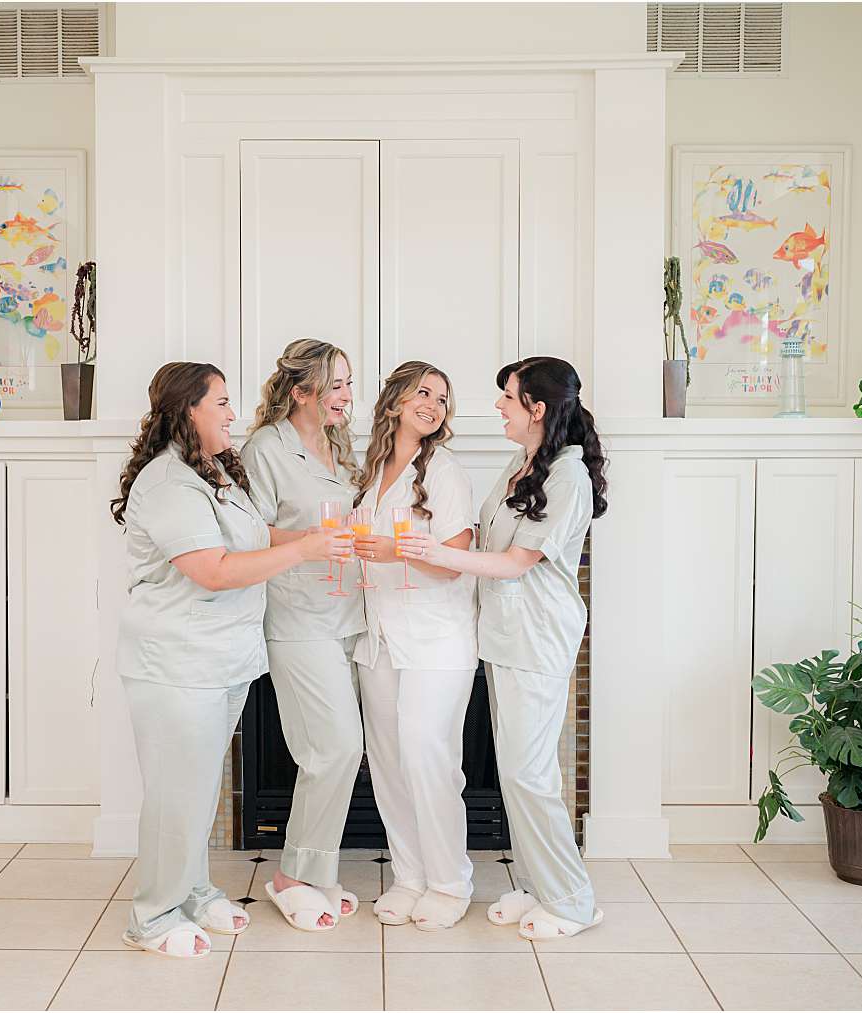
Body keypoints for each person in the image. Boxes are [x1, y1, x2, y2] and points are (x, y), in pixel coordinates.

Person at [111, 361, 350, 958]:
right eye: (220, 402)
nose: (232, 413)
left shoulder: (212, 472)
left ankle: (191, 890)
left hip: (220, 661)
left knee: (195, 790)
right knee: (175, 793)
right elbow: (213, 570)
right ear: (189, 408)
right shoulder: (168, 483)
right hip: (176, 663)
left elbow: (251, 538)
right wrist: (307, 552)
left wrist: (313, 540)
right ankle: (154, 915)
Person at [397, 356, 609, 940]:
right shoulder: (526, 464)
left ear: (537, 409)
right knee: (519, 772)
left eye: (508, 399)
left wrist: (434, 553)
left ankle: (571, 900)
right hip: (507, 636)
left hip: (538, 639)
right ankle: (543, 886)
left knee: (528, 774)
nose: (498, 407)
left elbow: (516, 562)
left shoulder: (567, 476)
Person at [239, 338, 366, 932]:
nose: (347, 395)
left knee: (336, 751)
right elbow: (250, 534)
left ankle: (317, 869)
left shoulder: (340, 446)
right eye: (336, 385)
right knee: (334, 748)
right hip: (296, 619)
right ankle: (294, 873)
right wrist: (313, 544)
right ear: (302, 391)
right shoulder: (266, 448)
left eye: (347, 383)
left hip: (349, 614)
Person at [349, 361, 479, 931]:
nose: (433, 404)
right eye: (423, 393)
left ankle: (449, 882)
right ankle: (409, 876)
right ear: (396, 400)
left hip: (435, 639)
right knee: (390, 763)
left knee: (429, 759)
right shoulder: (370, 468)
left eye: (443, 399)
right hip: (378, 638)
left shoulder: (445, 470)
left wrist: (395, 552)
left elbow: (456, 560)